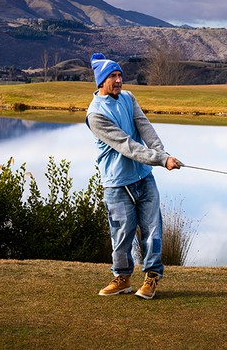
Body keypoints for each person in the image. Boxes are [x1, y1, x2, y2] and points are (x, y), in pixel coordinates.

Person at [86, 53, 181, 300]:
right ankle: (123, 278)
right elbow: (126, 145)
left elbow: (145, 127)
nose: (118, 80)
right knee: (121, 235)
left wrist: (163, 153)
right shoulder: (95, 114)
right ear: (101, 81)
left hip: (144, 178)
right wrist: (161, 160)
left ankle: (151, 277)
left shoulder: (128, 97)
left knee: (153, 230)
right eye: (112, 76)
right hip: (117, 183)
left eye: (120, 75)